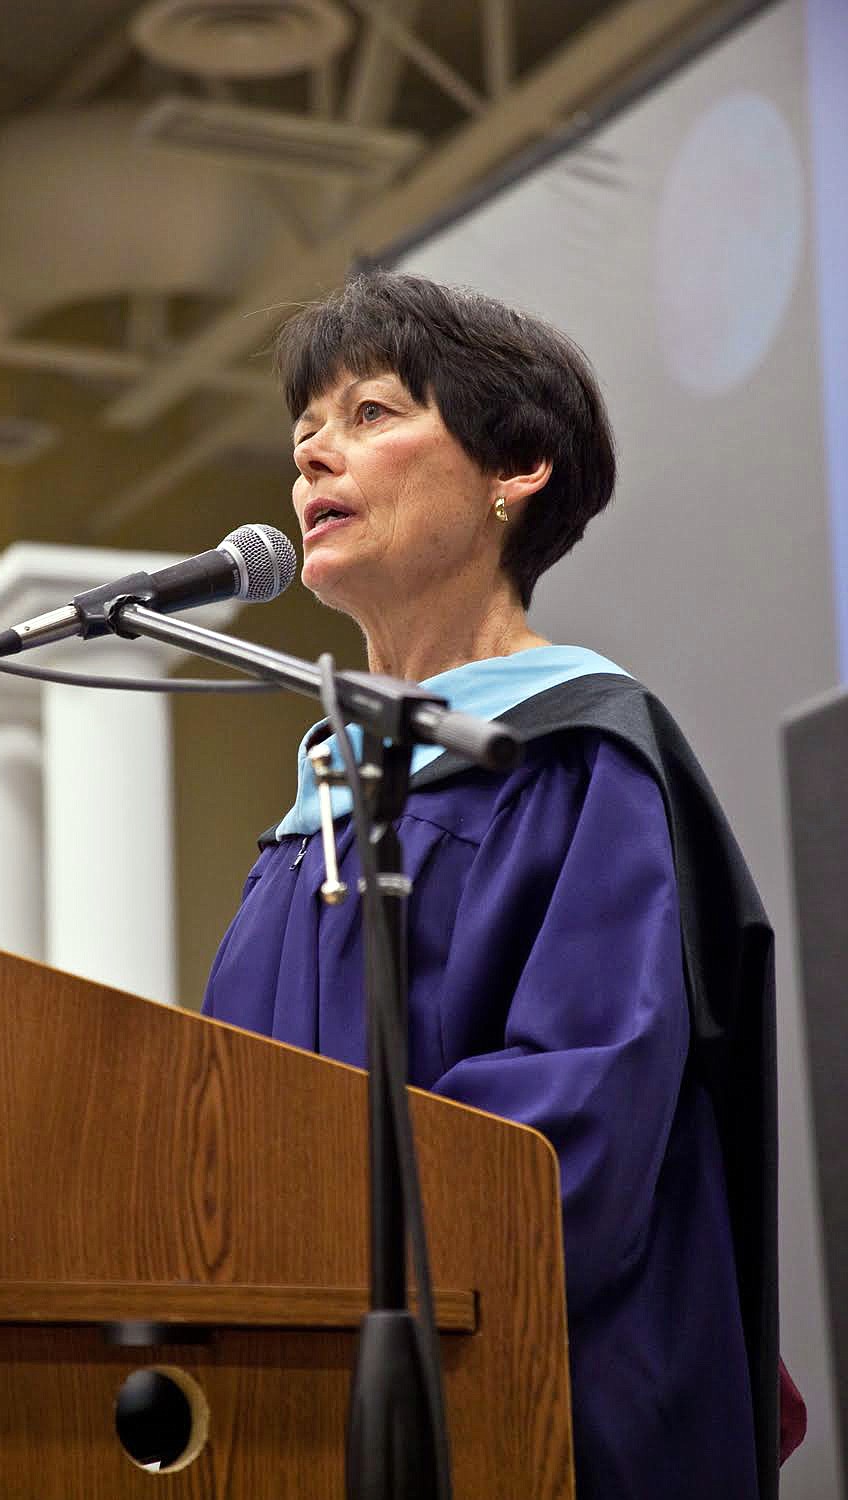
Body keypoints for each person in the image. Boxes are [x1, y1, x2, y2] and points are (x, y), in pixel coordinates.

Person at [202, 270, 798, 1498]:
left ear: (511, 465)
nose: (314, 456)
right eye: (304, 432)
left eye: (369, 415)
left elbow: (563, 1132)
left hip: (518, 1412)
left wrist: (300, 1252)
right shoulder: (313, 808)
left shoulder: (579, 757)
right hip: (293, 1414)